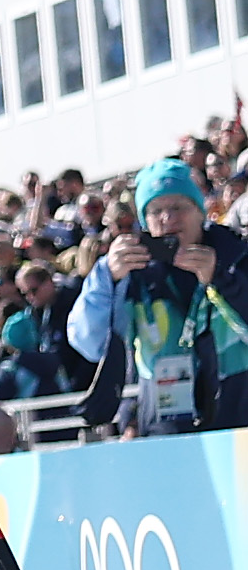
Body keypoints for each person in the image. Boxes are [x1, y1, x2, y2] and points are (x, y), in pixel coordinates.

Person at [75, 162, 248, 437]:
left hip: (237, 418)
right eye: (155, 211)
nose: (168, 218)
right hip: (165, 426)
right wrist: (108, 280)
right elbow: (89, 342)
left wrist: (222, 280)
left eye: (179, 207)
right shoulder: (133, 272)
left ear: (200, 212)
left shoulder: (235, 255)